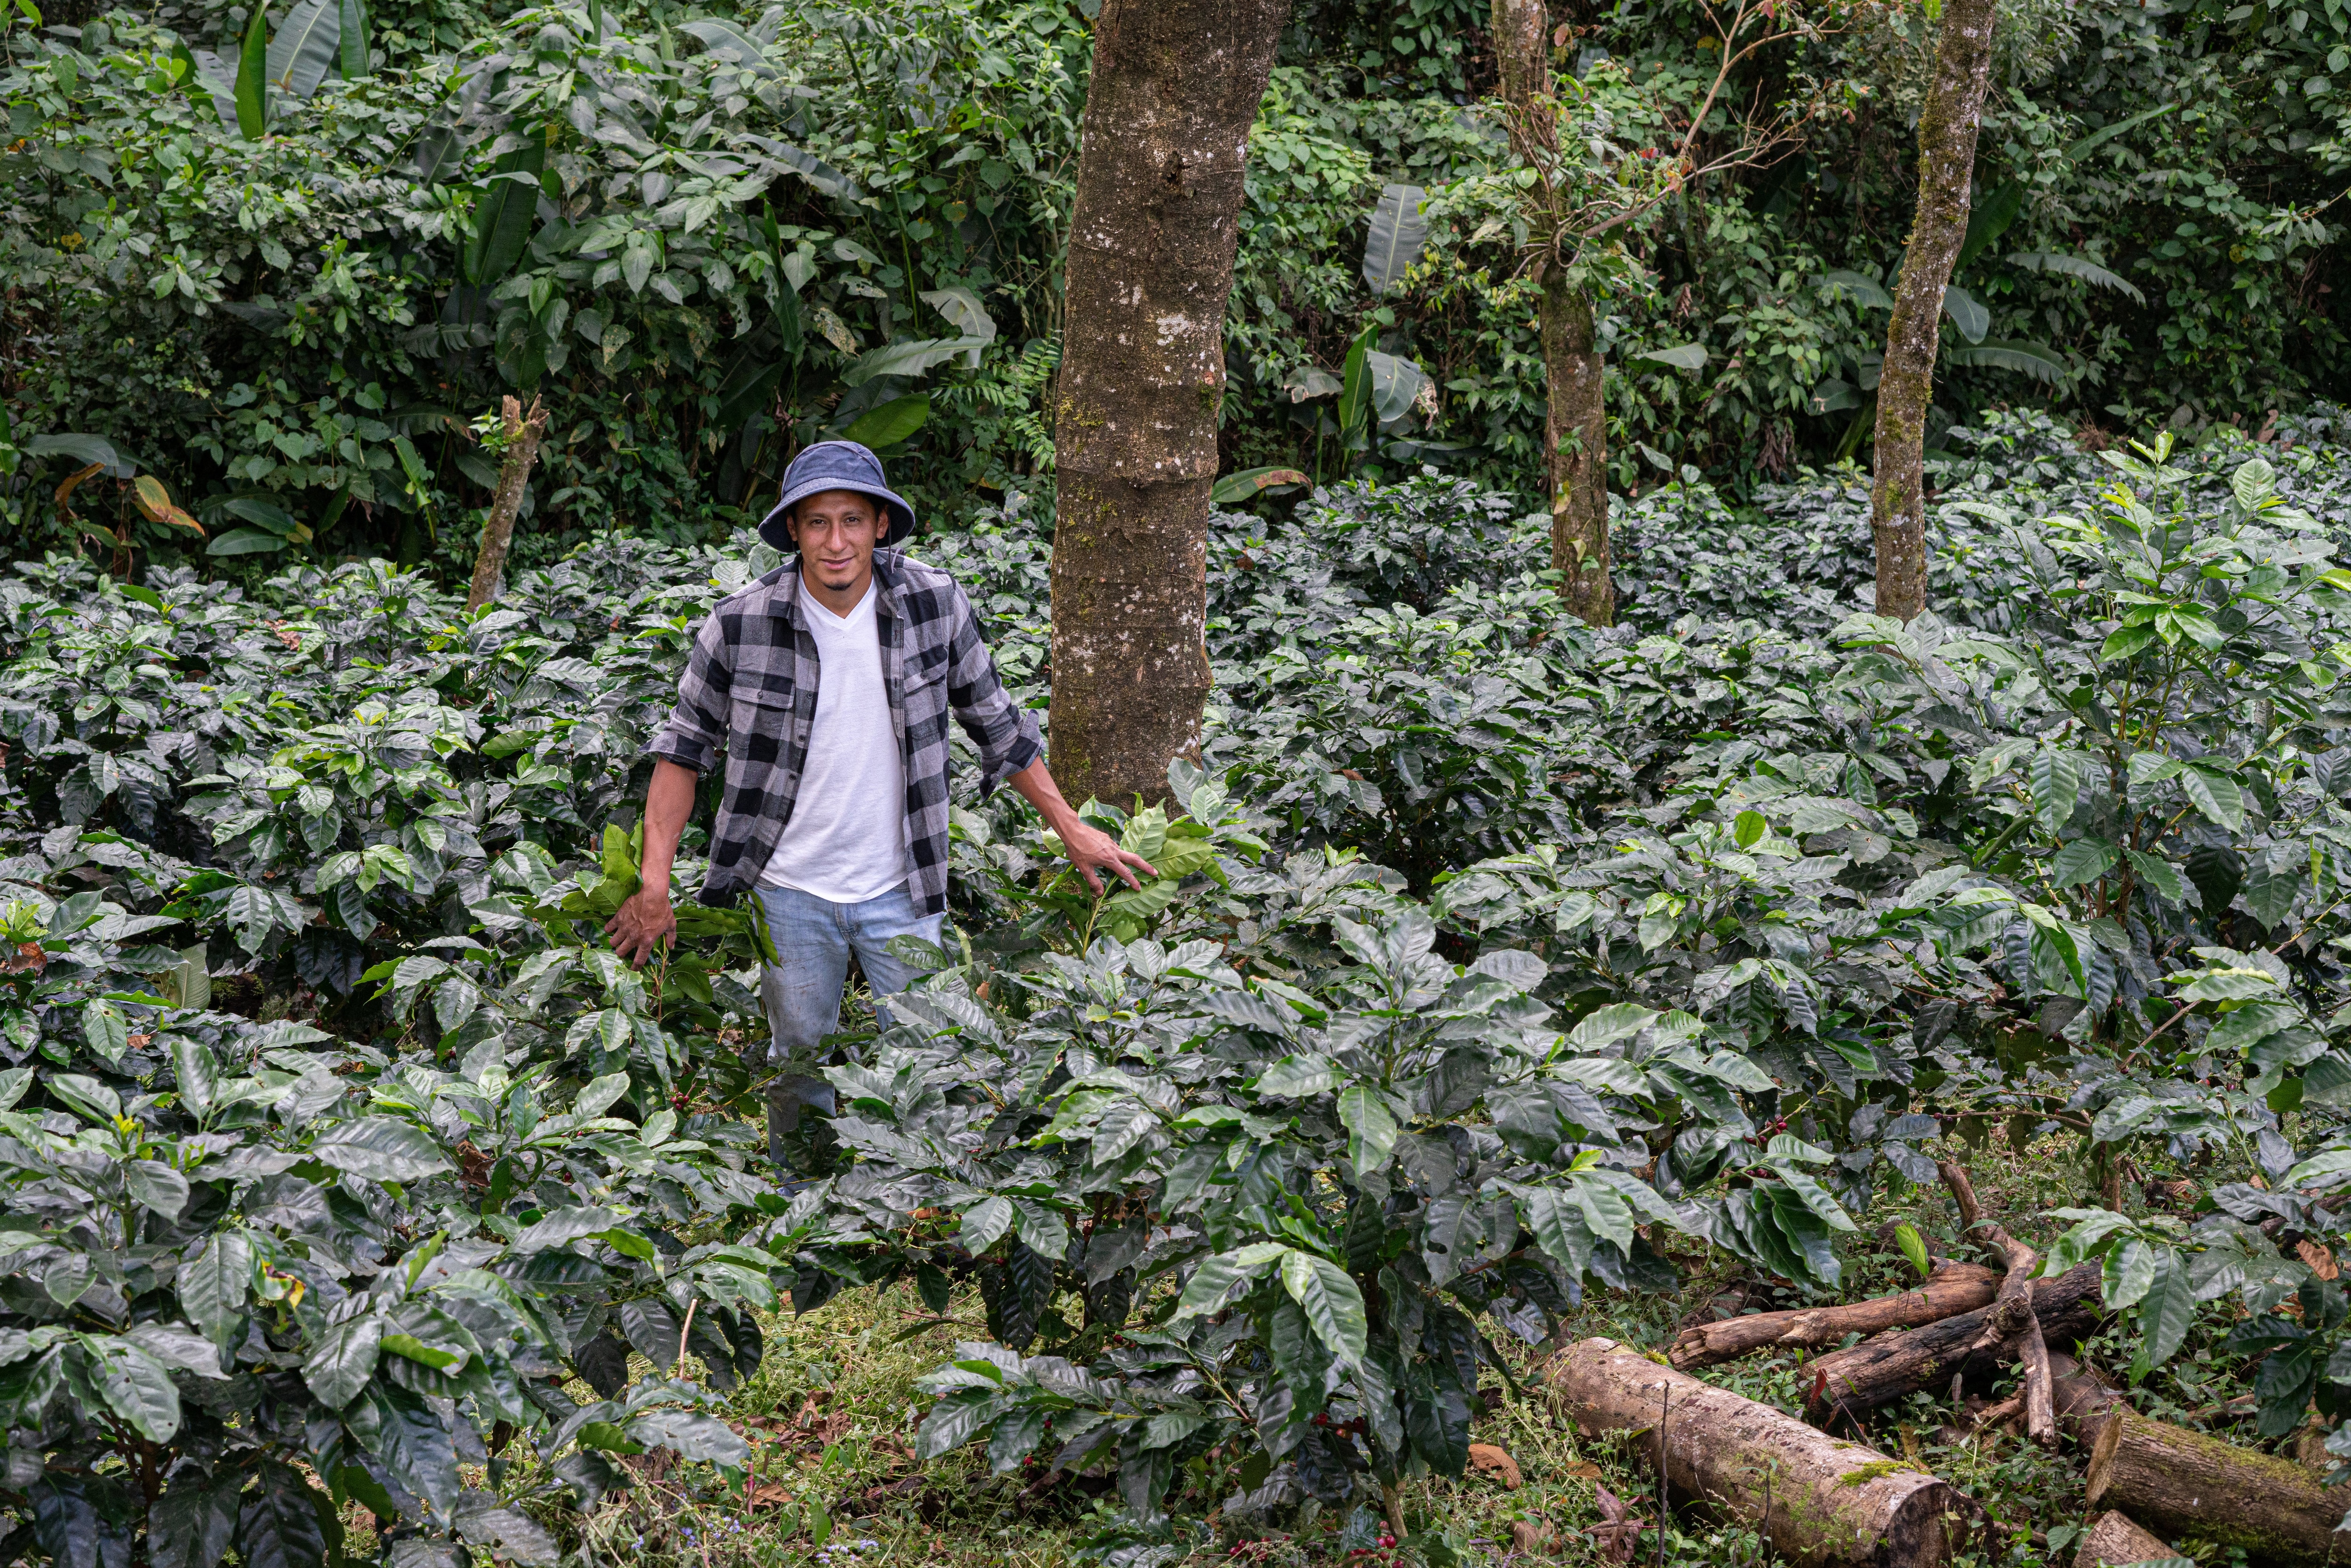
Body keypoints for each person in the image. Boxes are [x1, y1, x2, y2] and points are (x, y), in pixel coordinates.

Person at [604, 440, 1153, 1169]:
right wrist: (654, 883)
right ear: (794, 531)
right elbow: (683, 754)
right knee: (798, 1067)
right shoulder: (740, 624)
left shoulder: (932, 604)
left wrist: (1071, 827)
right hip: (789, 891)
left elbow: (998, 725)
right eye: (819, 523)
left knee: (933, 1059)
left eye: (853, 521)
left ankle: (925, 1210)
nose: (837, 542)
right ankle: (806, 1226)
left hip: (904, 884)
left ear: (881, 528)